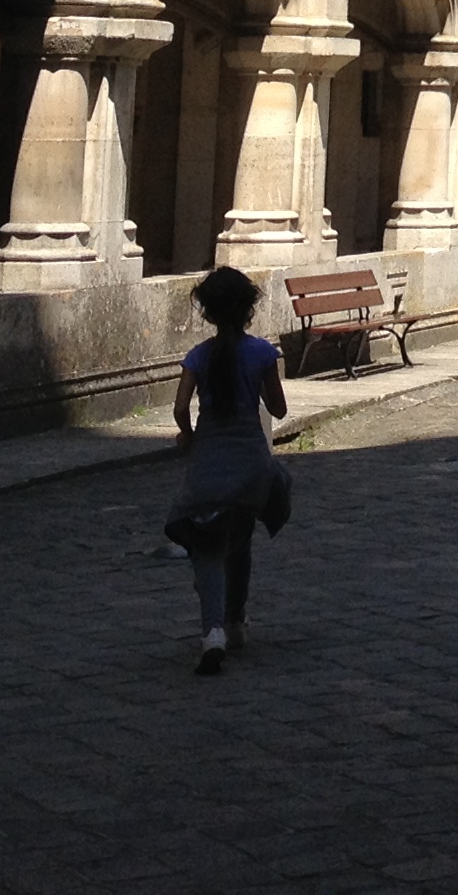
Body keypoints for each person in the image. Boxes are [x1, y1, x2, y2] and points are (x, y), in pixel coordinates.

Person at [166, 266, 290, 675]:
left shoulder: (198, 357)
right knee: (240, 541)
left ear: (209, 313)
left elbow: (181, 408)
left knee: (206, 546)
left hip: (209, 465)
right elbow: (278, 408)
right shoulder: (261, 353)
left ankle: (213, 632)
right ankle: (236, 621)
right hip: (251, 466)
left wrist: (187, 437)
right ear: (249, 308)